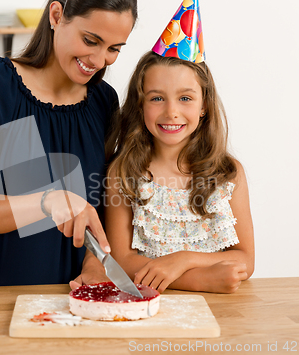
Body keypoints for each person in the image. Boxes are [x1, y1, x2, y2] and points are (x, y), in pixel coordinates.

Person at [0, 0, 137, 288]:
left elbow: (98, 204)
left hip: (72, 296)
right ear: (57, 15)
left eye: (114, 49)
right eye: (90, 40)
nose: (99, 61)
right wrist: (50, 201)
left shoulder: (103, 102)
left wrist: (94, 263)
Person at [104, 12, 255, 292]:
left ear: (204, 106)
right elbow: (122, 260)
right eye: (157, 98)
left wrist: (181, 260)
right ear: (140, 105)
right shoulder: (124, 174)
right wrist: (197, 279)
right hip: (146, 308)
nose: (171, 112)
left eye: (185, 98)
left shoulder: (228, 174)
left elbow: (245, 259)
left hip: (224, 317)